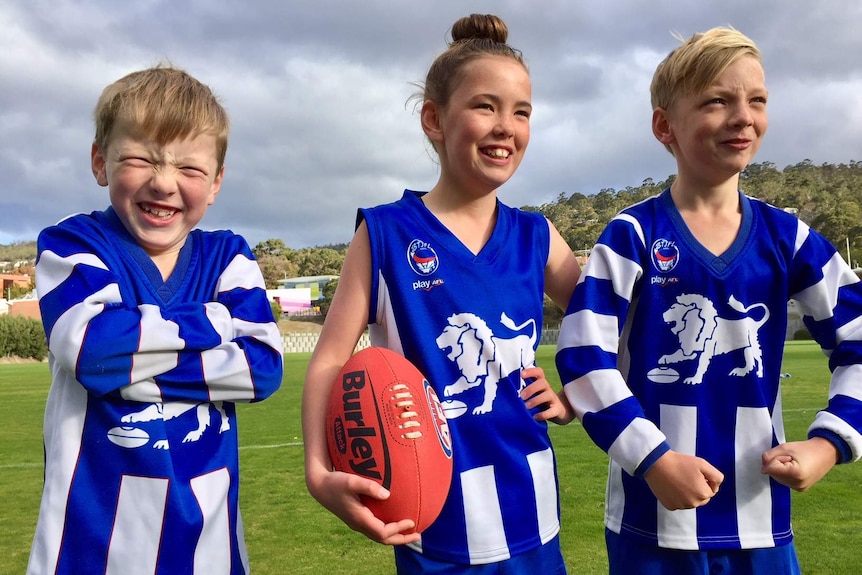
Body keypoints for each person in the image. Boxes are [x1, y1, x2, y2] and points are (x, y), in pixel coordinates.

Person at [555, 26, 862, 575]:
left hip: (760, 519)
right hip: (651, 527)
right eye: (717, 100)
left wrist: (828, 443)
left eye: (757, 100)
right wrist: (653, 460)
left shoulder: (786, 238)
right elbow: (584, 358)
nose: (743, 116)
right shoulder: (633, 235)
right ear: (664, 126)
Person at [302, 13, 580, 574]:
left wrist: (577, 393)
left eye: (521, 112)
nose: (506, 126)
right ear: (435, 119)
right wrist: (316, 470)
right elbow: (331, 356)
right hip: (431, 521)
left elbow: (610, 329)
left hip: (533, 516)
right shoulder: (384, 234)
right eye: (485, 106)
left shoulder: (538, 237)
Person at [27, 65, 284, 575]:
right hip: (89, 547)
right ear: (101, 162)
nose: (163, 182)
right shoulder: (72, 244)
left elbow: (262, 369)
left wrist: (131, 359)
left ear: (215, 183)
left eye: (189, 169)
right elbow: (93, 352)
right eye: (139, 158)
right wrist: (215, 323)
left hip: (211, 547)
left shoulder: (228, 255)